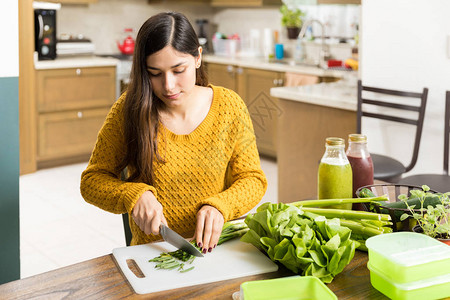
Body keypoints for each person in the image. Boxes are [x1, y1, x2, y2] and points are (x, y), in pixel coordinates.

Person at [80, 12, 267, 254]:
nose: (168, 86)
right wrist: (132, 194)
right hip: (152, 255)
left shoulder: (230, 106)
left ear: (198, 58)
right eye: (154, 73)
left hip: (219, 251)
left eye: (179, 70)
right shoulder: (129, 110)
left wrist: (222, 206)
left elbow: (253, 179)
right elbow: (91, 181)